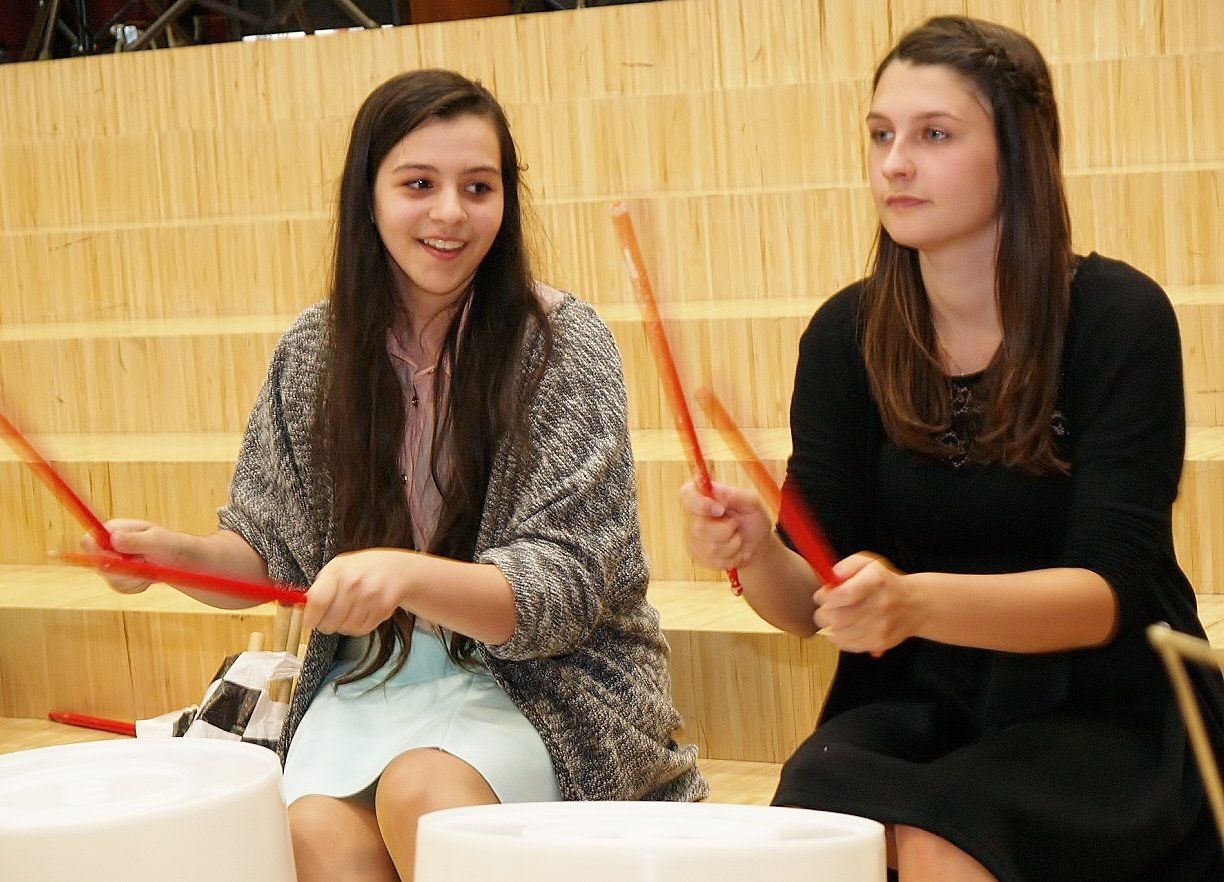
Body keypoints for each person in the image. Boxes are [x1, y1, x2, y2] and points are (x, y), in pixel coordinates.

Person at [87, 69, 705, 881]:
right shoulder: (314, 351)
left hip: (550, 687)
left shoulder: (561, 342)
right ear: (368, 197)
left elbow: (561, 592)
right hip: (368, 684)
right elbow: (272, 554)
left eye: (478, 187)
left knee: (427, 794)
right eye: (419, 185)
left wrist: (405, 575)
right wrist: (173, 557)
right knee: (312, 834)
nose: (450, 212)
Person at [680, 15, 1223, 882]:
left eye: (933, 135)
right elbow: (813, 604)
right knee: (816, 811)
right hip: (922, 692)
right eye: (881, 135)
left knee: (945, 832)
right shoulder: (845, 335)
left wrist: (915, 601)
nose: (894, 163)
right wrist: (753, 555)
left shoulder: (1118, 317)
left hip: (1105, 697)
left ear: (1019, 152)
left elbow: (1102, 598)